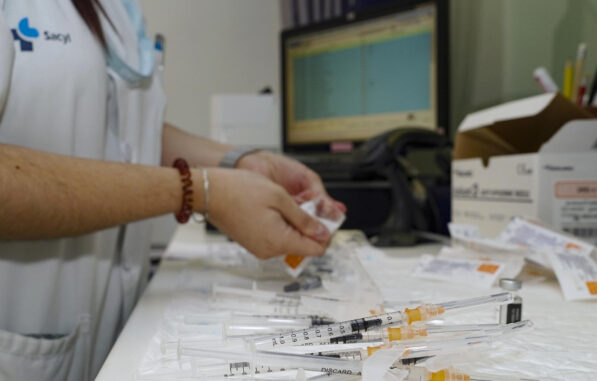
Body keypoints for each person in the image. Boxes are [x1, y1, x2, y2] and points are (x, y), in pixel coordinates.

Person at [0, 1, 343, 380]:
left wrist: (240, 161)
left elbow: (122, 130)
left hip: (106, 330)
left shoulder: (117, 9)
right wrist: (200, 191)